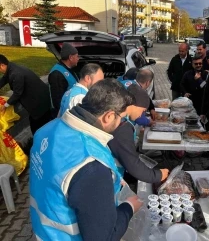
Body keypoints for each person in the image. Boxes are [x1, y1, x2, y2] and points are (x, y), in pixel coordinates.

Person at [30, 78, 143, 240]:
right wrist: (130, 207)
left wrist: (112, 181)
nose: (121, 123)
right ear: (109, 116)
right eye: (121, 118)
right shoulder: (91, 166)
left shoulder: (46, 130)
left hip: (43, 232)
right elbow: (104, 237)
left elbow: (59, 178)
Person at [109, 83, 169, 184]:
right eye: (143, 110)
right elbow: (132, 163)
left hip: (117, 168)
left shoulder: (119, 116)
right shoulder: (121, 126)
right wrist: (158, 175)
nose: (142, 114)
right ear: (135, 105)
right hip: (113, 176)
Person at [0, 54, 51, 136]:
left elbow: (17, 94)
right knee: (39, 123)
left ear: (2, 65)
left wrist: (5, 105)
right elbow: (4, 79)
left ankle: (40, 143)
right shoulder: (12, 68)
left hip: (39, 103)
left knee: (38, 126)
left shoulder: (16, 73)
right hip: (41, 99)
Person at [48, 42, 79, 118]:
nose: (78, 58)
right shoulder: (57, 74)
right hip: (63, 114)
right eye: (77, 56)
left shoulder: (68, 68)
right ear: (71, 57)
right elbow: (58, 101)